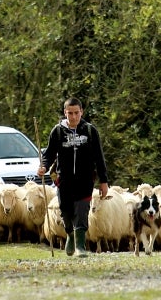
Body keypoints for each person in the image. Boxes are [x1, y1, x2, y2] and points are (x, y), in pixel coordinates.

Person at [38, 97, 109, 257]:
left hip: (85, 180)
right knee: (66, 211)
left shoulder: (90, 131)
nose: (74, 117)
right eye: (70, 113)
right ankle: (69, 234)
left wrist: (103, 181)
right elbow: (49, 154)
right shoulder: (57, 131)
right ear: (65, 113)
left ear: (81, 112)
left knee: (82, 210)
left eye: (77, 113)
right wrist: (43, 166)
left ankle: (80, 246)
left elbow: (99, 157)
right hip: (64, 180)